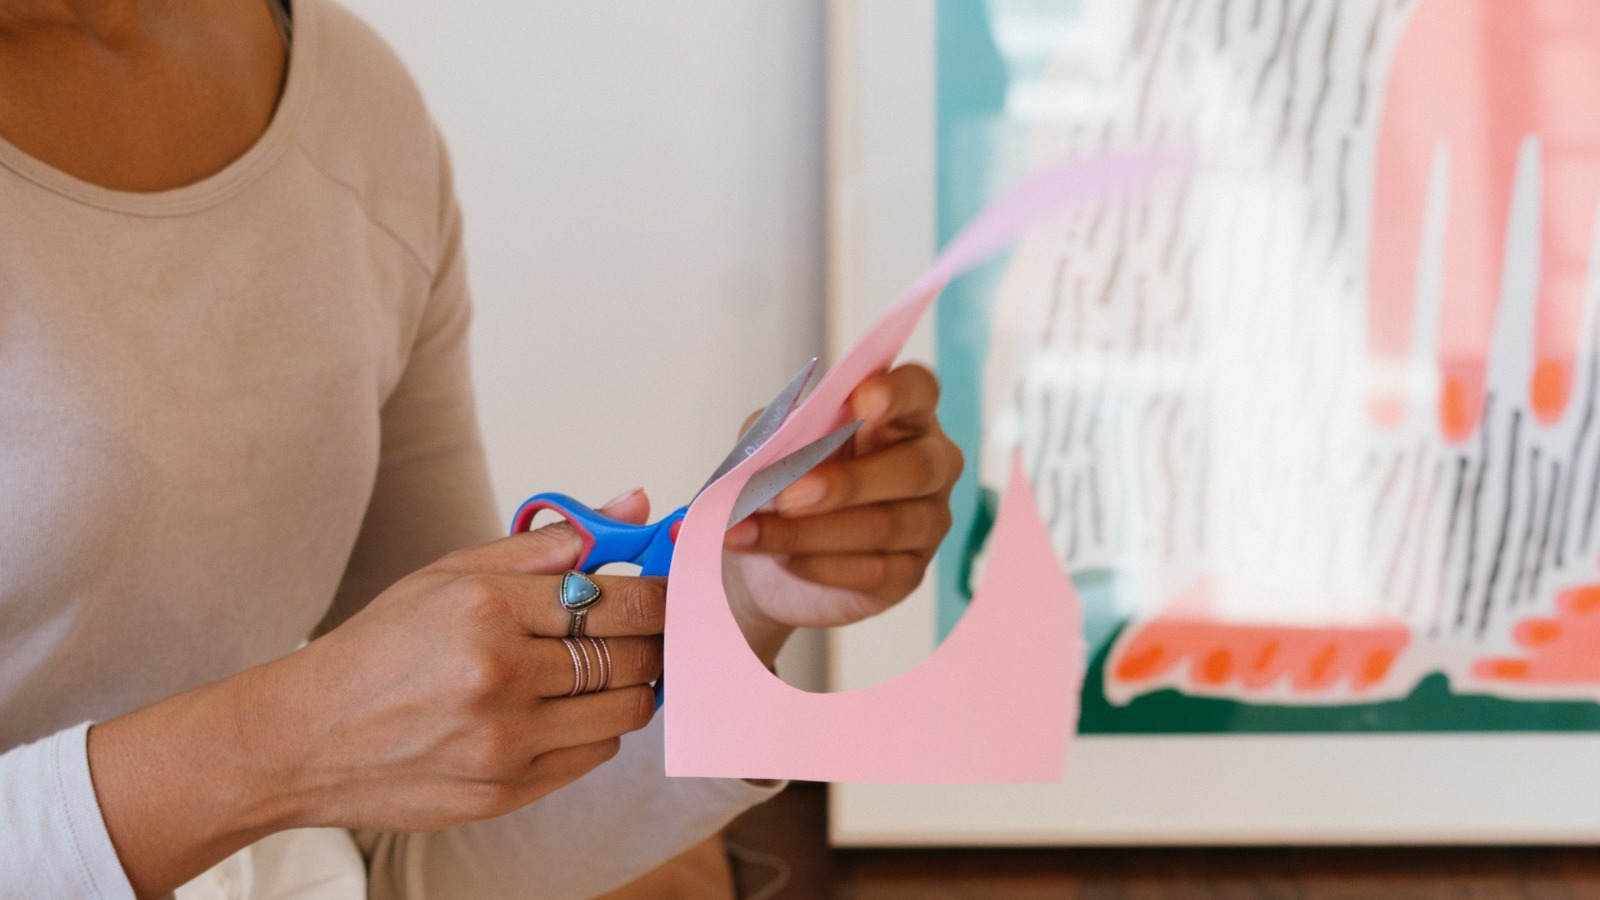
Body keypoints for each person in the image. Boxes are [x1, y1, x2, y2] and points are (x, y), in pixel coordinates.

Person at [0, 0, 962, 897]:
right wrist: (275, 747)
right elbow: (336, 753)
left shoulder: (356, 109)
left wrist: (737, 606)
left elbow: (429, 846)